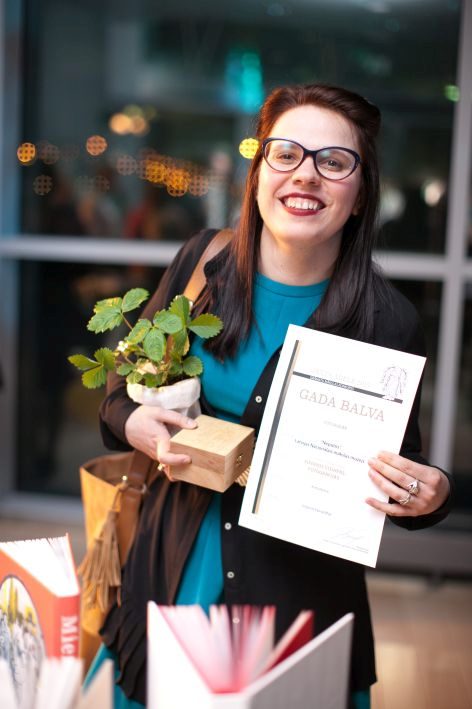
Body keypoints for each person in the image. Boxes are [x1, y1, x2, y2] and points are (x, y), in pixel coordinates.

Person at [87, 84, 453, 709]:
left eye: (333, 162)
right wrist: (136, 425)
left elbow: (402, 471)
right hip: (175, 565)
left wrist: (429, 494)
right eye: (285, 154)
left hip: (298, 595)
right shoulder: (203, 263)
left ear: (361, 193)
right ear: (258, 176)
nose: (304, 176)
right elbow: (118, 396)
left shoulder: (386, 319)